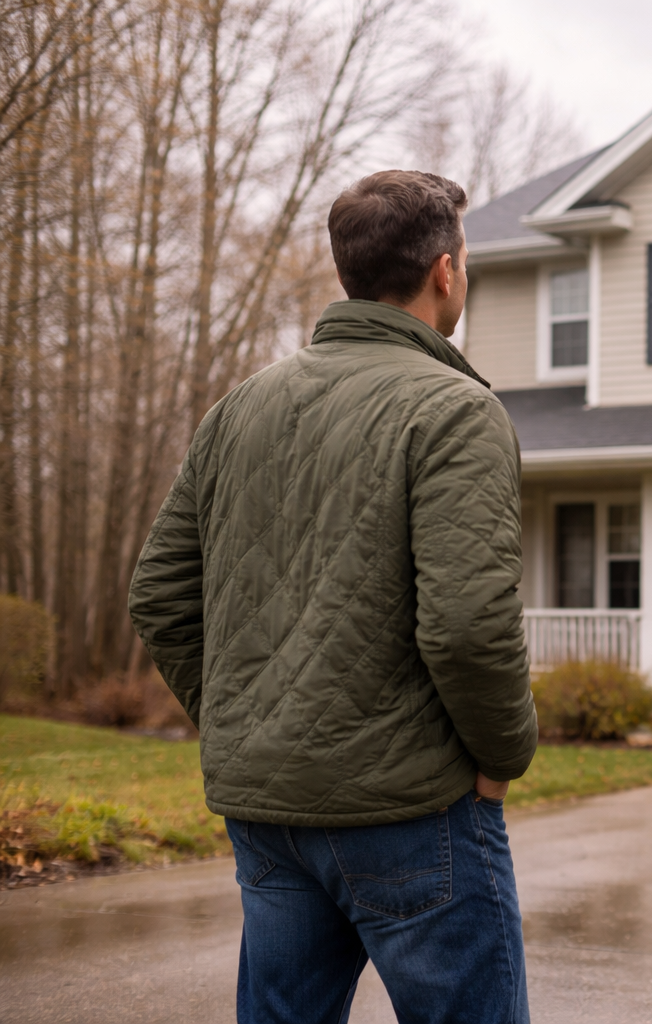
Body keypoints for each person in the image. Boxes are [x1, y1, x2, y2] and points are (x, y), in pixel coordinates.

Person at [128, 170, 537, 1024]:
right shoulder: (455, 410)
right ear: (446, 271)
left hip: (269, 809)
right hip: (413, 809)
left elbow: (160, 595)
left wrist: (249, 720)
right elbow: (466, 627)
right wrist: (504, 757)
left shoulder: (239, 407)